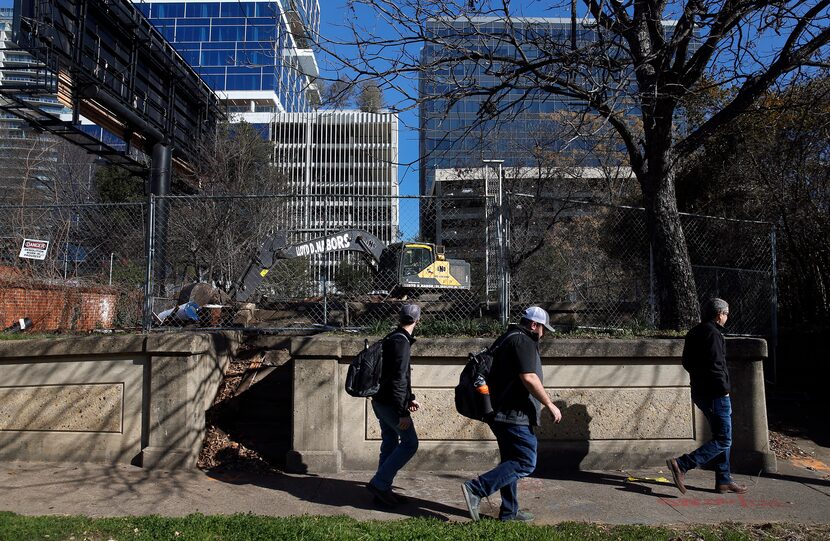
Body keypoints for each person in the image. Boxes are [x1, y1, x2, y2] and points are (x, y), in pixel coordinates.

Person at [461, 306, 563, 522]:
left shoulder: (508, 337)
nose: (543, 334)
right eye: (543, 328)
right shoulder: (523, 341)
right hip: (513, 414)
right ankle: (476, 488)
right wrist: (550, 404)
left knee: (510, 460)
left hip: (500, 412)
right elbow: (529, 377)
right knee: (526, 461)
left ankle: (509, 511)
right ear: (534, 325)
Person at [666, 298, 748, 495]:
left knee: (720, 436)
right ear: (719, 314)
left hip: (701, 391)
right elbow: (717, 365)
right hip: (716, 394)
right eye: (726, 314)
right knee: (724, 440)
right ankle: (682, 464)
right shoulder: (714, 334)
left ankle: (723, 479)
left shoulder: (694, 332)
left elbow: (687, 362)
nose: (727, 318)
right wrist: (724, 389)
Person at [366, 303, 422, 506]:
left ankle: (382, 490)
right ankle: (380, 484)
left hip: (380, 401)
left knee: (389, 442)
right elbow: (398, 379)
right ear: (417, 320)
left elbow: (397, 376)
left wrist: (410, 397)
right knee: (410, 443)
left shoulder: (393, 338)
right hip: (390, 404)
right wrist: (403, 411)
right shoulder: (401, 343)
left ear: (400, 318)